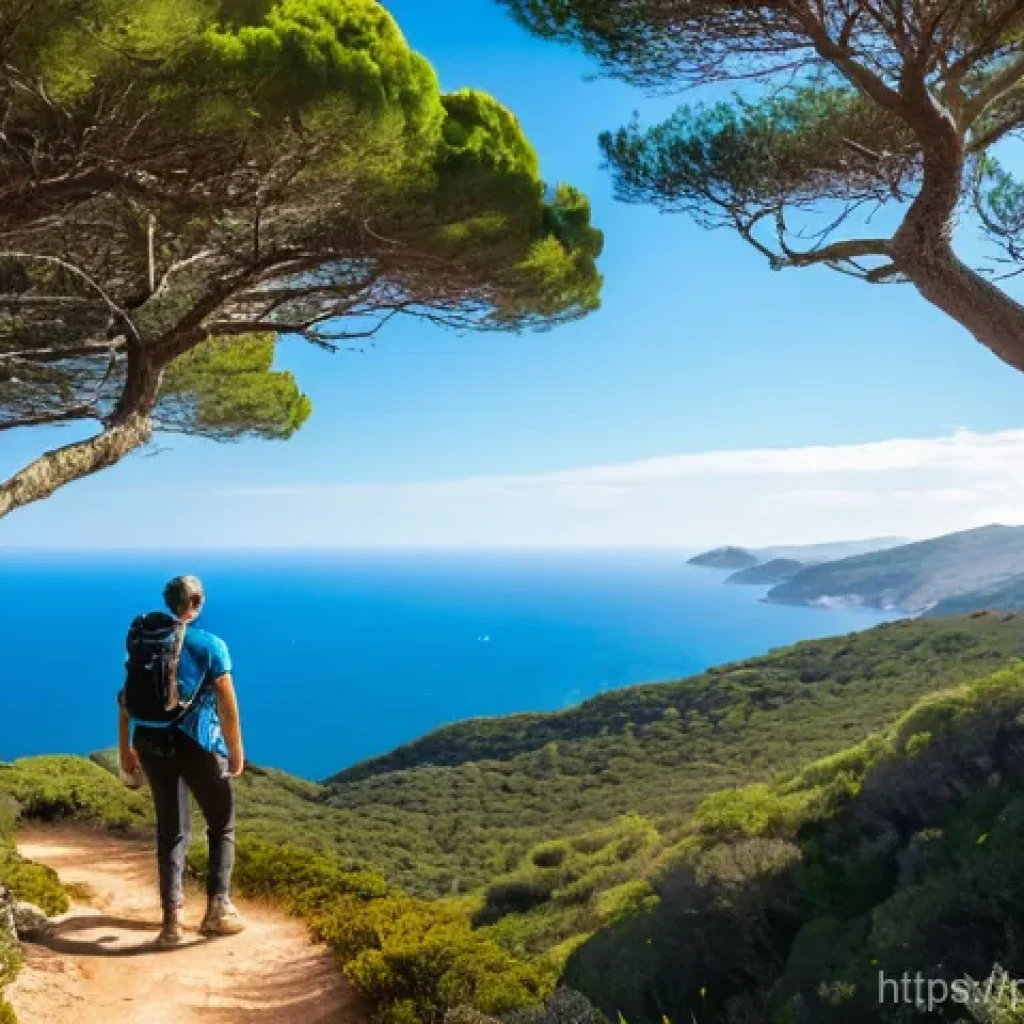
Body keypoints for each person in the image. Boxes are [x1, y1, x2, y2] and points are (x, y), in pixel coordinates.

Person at [118, 575, 247, 947]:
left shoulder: (144, 642)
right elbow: (228, 706)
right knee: (221, 824)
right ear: (196, 600)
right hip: (199, 744)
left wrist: (126, 746)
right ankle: (217, 911)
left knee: (171, 830)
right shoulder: (211, 645)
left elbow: (125, 697)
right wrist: (235, 752)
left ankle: (171, 924)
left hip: (151, 744)